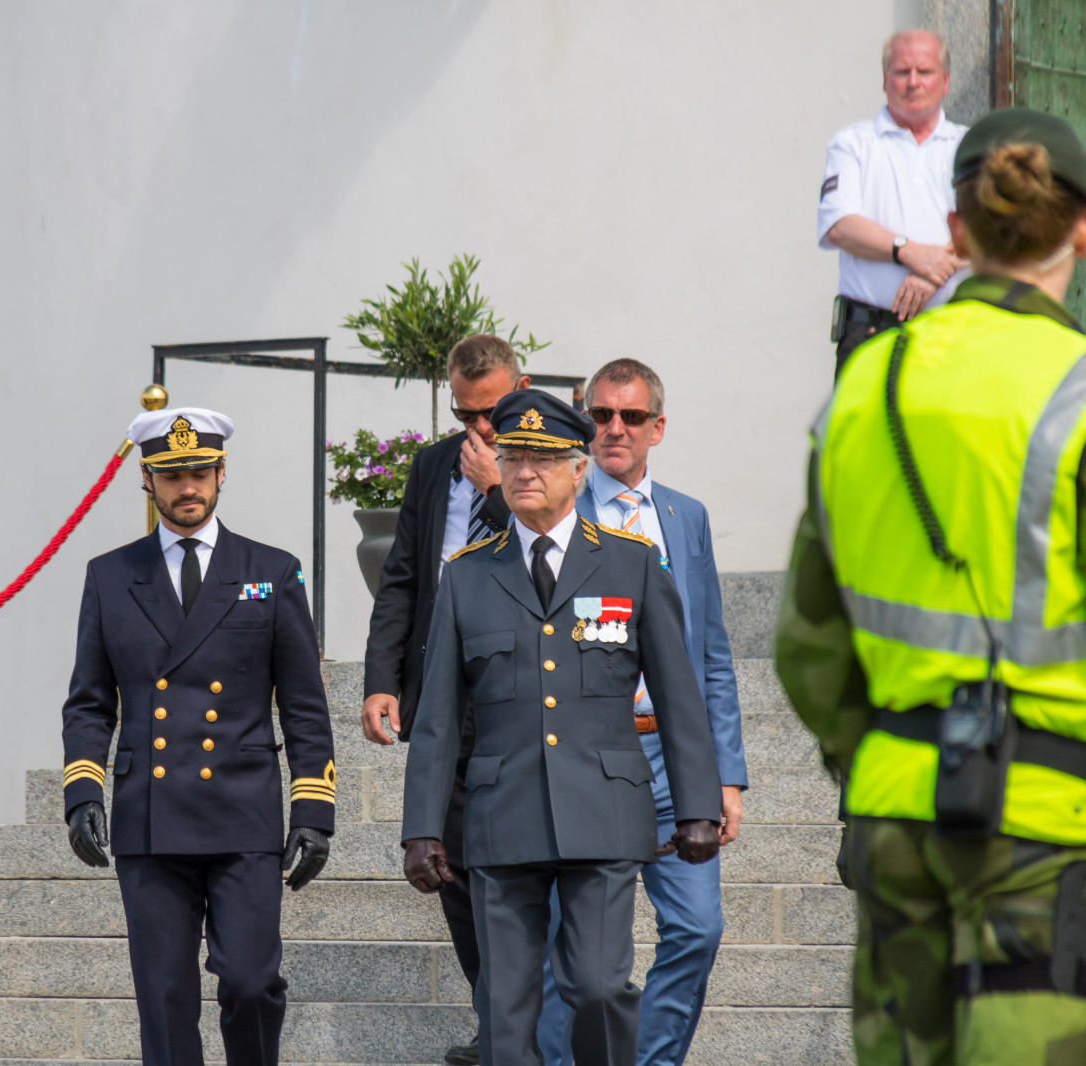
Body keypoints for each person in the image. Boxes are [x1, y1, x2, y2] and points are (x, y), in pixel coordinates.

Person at [776, 107, 1086, 1065]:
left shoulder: (865, 386)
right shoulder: (1077, 386)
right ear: (1080, 231)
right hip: (1050, 817)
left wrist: (882, 753)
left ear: (954, 231)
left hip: (897, 808)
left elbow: (807, 644)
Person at [402, 389, 722, 1066]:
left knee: (598, 987)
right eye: (514, 457)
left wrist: (698, 805)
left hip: (604, 810)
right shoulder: (467, 575)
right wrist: (422, 828)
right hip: (502, 814)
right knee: (505, 1006)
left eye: (543, 460)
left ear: (579, 470)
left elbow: (678, 696)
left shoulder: (633, 563)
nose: (524, 472)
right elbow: (436, 718)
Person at [60, 406, 335, 1066]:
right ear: (146, 480)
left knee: (250, 981)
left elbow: (303, 705)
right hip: (151, 816)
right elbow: (90, 702)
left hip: (242, 813)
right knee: (164, 996)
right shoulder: (110, 575)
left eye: (200, 474)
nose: (188, 488)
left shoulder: (272, 570)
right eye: (172, 476)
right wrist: (83, 791)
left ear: (221, 474)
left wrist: (313, 808)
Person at [538, 359, 747, 1066]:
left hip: (671, 763)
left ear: (658, 427)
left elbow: (710, 653)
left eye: (630, 417)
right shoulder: (559, 510)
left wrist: (725, 774)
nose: (614, 429)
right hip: (587, 759)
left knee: (697, 928)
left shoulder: (686, 517)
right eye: (601, 415)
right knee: (569, 950)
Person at [361, 334, 530, 1065]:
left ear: (521, 389)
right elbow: (402, 576)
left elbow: (548, 559)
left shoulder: (546, 462)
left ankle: (523, 1030)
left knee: (516, 875)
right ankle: (497, 1022)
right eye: (465, 413)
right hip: (440, 696)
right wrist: (381, 677)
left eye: (491, 411)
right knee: (450, 868)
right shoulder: (433, 465)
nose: (479, 428)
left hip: (517, 698)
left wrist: (496, 488)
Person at [818, 29, 968, 376]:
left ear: (945, 81)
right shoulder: (853, 144)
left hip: (950, 336)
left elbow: (996, 232)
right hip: (871, 335)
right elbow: (840, 226)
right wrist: (909, 252)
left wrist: (935, 271)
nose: (913, 82)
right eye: (902, 72)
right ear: (885, 80)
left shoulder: (970, 145)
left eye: (924, 72)